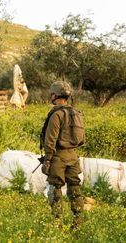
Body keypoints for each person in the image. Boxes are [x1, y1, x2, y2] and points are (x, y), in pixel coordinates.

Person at [40, 81, 85, 229]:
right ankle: (77, 222)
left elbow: (50, 140)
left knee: (55, 189)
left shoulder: (57, 114)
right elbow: (82, 139)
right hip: (73, 156)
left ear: (54, 95)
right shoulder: (77, 113)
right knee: (75, 189)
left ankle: (57, 223)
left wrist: (47, 160)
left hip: (58, 157)